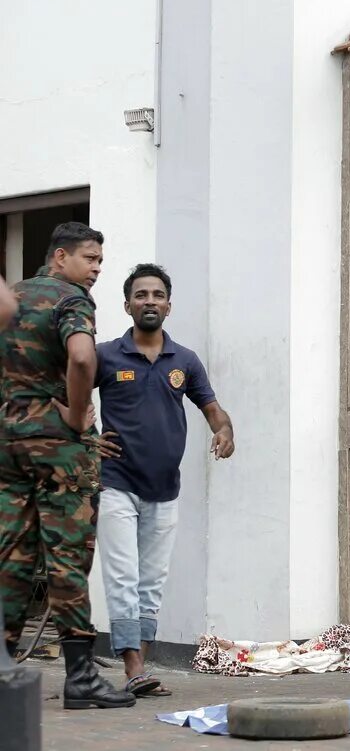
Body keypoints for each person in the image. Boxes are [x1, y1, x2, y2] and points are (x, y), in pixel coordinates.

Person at [0, 221, 136, 708]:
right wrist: (78, 417)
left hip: (9, 441)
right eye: (89, 258)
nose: (97, 269)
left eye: (100, 260)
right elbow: (81, 358)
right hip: (58, 447)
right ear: (59, 258)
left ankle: (4, 666)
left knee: (11, 556)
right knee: (68, 558)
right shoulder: (70, 298)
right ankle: (80, 678)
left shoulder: (11, 297)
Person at [93, 263, 235, 698]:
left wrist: (224, 431)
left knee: (151, 580)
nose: (149, 301)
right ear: (127, 305)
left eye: (157, 295)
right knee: (123, 576)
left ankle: (140, 667)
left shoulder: (185, 361)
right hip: (116, 483)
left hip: (164, 489)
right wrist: (86, 438)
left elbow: (213, 409)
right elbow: (68, 395)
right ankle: (135, 668)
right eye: (141, 295)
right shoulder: (105, 355)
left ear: (168, 306)